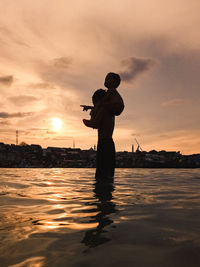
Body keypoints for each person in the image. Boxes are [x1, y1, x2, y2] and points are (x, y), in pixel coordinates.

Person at [83, 72, 124, 179]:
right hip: (107, 143)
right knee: (108, 176)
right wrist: (92, 108)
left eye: (94, 103)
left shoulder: (104, 107)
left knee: (102, 175)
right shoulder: (107, 108)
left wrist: (90, 121)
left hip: (104, 144)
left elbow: (96, 123)